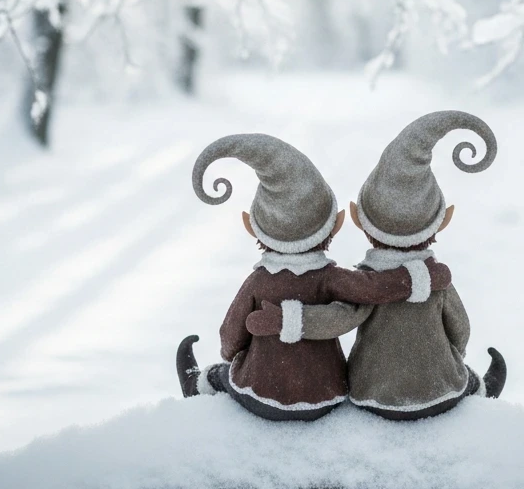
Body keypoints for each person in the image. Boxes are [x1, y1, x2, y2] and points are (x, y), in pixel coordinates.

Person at [247, 111, 506, 421]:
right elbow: (460, 327)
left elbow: (343, 318)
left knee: (228, 372)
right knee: (463, 377)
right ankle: (474, 386)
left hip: (372, 393)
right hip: (441, 390)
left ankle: (208, 381)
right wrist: (450, 357)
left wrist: (285, 322)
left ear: (353, 219)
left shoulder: (368, 283)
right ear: (444, 219)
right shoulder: (437, 281)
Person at [177, 132, 450, 421]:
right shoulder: (331, 278)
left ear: (251, 226)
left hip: (259, 393)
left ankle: (199, 383)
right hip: (325, 395)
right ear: (338, 223)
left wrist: (239, 353)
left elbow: (230, 338)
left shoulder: (258, 282)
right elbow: (371, 293)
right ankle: (476, 384)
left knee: (224, 374)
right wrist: (422, 277)